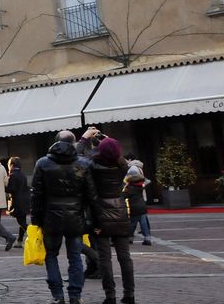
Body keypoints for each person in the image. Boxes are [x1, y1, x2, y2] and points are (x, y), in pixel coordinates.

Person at [31, 130, 98, 304]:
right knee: (75, 257)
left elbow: (36, 194)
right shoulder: (83, 164)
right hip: (75, 217)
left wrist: (36, 220)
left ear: (55, 142)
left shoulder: (43, 163)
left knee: (51, 255)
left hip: (50, 217)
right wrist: (94, 220)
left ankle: (57, 295)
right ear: (73, 142)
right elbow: (92, 195)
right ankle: (75, 295)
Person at [91, 137, 135, 304]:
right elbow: (118, 155)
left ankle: (110, 296)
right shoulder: (122, 166)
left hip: (100, 215)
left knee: (105, 258)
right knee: (125, 257)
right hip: (120, 212)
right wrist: (106, 138)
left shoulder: (93, 166)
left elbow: (84, 157)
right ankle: (129, 294)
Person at [125, 161, 152, 245]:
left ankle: (130, 238)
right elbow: (147, 182)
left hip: (134, 207)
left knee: (132, 223)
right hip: (142, 206)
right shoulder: (141, 186)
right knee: (144, 224)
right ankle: (147, 238)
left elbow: (124, 196)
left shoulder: (129, 187)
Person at [6, 157, 30, 247]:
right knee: (22, 220)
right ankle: (19, 241)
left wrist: (4, 187)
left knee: (21, 222)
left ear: (11, 165)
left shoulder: (12, 175)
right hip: (25, 200)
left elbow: (11, 189)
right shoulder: (22, 175)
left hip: (17, 201)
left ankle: (33, 234)